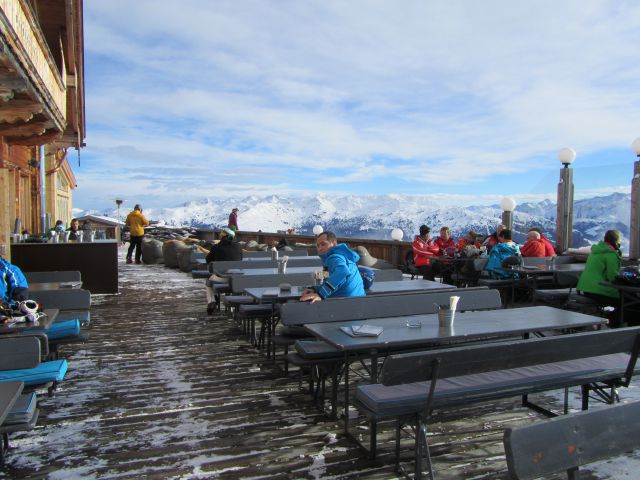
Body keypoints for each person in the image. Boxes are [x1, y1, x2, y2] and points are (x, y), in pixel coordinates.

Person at [300, 231, 365, 303]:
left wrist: (320, 294)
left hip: (347, 303)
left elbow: (342, 272)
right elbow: (333, 278)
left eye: (323, 244)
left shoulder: (334, 257)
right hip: (360, 300)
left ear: (334, 244)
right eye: (318, 246)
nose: (320, 249)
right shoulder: (343, 256)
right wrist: (315, 289)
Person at [576, 230, 622, 327]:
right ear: (617, 241)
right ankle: (614, 324)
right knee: (627, 301)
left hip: (585, 289)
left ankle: (611, 320)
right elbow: (612, 277)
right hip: (598, 291)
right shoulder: (611, 254)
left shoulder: (595, 251)